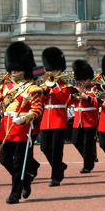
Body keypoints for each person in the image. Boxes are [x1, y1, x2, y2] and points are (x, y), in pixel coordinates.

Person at [0, 41, 43, 204]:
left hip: (22, 128)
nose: (13, 72)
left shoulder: (32, 89)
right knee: (4, 159)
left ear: (24, 70)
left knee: (18, 163)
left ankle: (15, 194)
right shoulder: (4, 88)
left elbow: (38, 110)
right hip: (6, 127)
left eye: (16, 70)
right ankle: (27, 178)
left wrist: (23, 118)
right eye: (12, 69)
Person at [40, 47, 74, 187]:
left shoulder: (65, 86)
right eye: (50, 70)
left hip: (58, 120)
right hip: (46, 120)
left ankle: (56, 177)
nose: (51, 72)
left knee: (56, 150)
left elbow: (62, 99)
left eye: (53, 70)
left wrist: (54, 87)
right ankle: (60, 166)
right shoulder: (44, 85)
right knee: (44, 148)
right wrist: (45, 92)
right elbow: (40, 101)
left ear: (59, 71)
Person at [69, 59, 99, 174]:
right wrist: (72, 97)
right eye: (80, 80)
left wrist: (87, 97)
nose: (82, 82)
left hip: (90, 120)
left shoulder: (95, 89)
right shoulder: (76, 89)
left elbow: (98, 103)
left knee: (87, 144)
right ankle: (90, 158)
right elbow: (67, 103)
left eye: (84, 79)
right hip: (78, 120)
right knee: (76, 141)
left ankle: (87, 165)